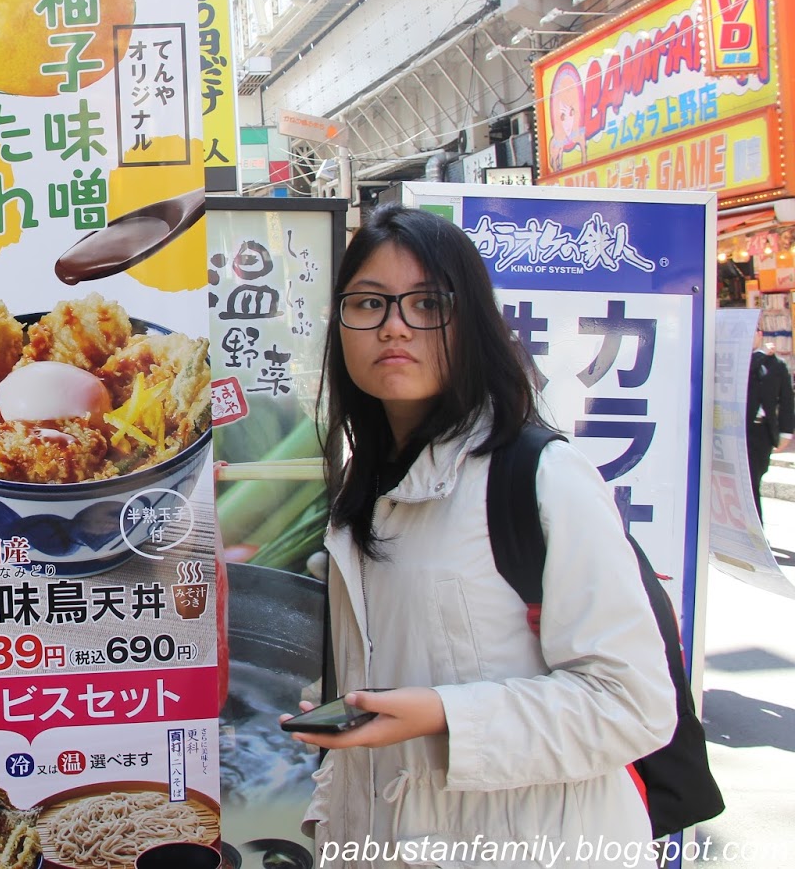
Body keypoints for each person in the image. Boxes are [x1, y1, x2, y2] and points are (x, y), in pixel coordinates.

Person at [282, 204, 676, 869]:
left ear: (473, 324)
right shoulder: (363, 490)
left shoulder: (541, 476)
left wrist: (443, 715)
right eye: (369, 304)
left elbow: (633, 705)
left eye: (427, 304)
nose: (394, 326)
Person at [745, 331, 793, 522]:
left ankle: (755, 528)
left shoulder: (777, 365)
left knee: (755, 480)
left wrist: (786, 433)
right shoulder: (737, 363)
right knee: (749, 483)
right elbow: (749, 370)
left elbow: (786, 401)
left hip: (762, 432)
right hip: (739, 431)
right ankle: (754, 528)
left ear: (759, 334)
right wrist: (761, 354)